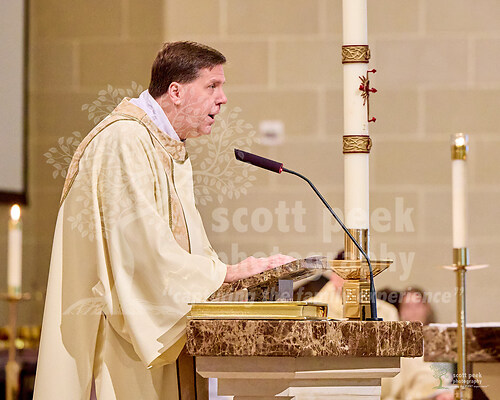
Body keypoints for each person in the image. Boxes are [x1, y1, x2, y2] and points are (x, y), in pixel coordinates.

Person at [33, 41, 293, 400]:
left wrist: (227, 279)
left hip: (160, 331)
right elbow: (141, 251)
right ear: (176, 92)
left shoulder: (165, 146)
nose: (223, 99)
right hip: (125, 338)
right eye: (212, 86)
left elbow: (186, 248)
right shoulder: (124, 141)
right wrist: (226, 273)